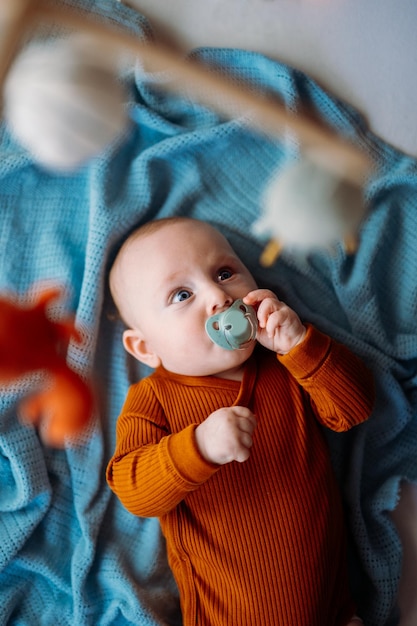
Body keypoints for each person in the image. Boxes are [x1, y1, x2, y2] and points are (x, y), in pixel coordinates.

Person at [106, 216, 374, 626]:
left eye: (225, 272)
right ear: (144, 347)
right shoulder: (154, 398)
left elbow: (355, 408)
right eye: (182, 294)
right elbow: (134, 491)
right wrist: (198, 447)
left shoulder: (286, 363)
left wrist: (300, 343)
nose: (218, 296)